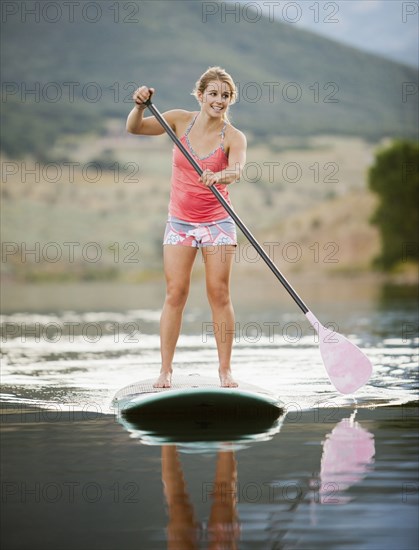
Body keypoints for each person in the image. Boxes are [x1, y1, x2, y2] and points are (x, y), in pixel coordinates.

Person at [126, 67, 247, 388]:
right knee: (175, 293)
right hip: (180, 222)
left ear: (230, 100)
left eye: (225, 96)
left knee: (219, 294)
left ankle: (225, 370)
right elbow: (134, 128)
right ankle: (165, 370)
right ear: (200, 94)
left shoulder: (234, 137)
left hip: (218, 222)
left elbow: (237, 170)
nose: (218, 101)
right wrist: (139, 105)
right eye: (213, 94)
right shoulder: (178, 120)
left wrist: (218, 176)